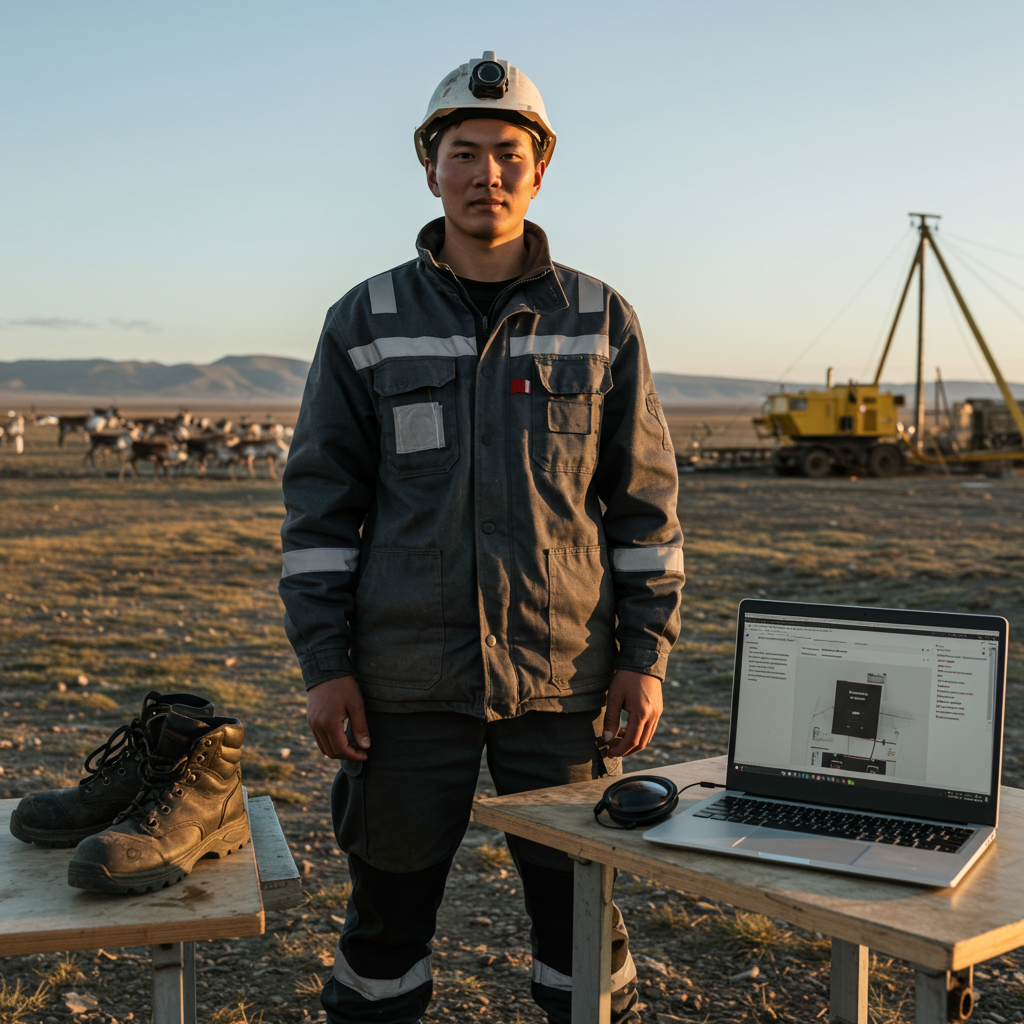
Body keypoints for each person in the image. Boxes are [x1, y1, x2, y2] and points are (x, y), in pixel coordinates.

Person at [279, 50, 684, 1024]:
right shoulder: (366, 319)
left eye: (509, 154)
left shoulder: (598, 319)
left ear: (540, 170)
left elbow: (643, 508)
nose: (486, 174)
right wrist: (326, 666)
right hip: (403, 680)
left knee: (580, 916)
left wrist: (645, 658)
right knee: (385, 918)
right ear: (430, 169)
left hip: (563, 677)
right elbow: (320, 512)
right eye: (463, 153)